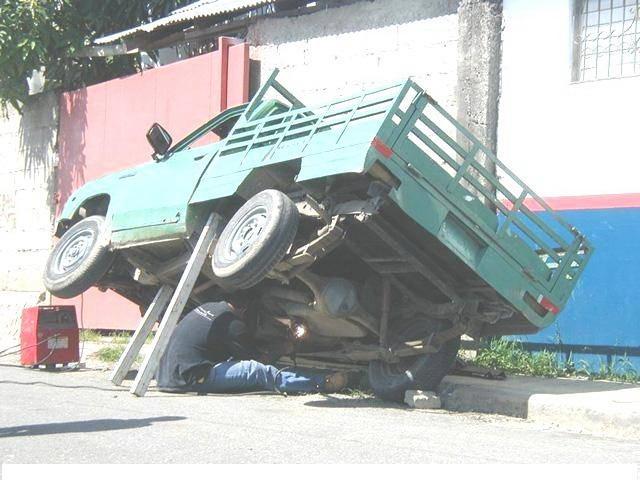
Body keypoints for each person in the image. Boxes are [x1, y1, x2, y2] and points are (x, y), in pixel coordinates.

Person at [156, 301, 348, 394]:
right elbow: (256, 360)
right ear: (245, 311)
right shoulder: (233, 324)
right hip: (192, 378)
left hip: (168, 376)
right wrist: (281, 349)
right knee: (256, 371)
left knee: (243, 367)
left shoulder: (211, 306)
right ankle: (322, 382)